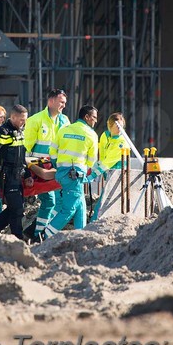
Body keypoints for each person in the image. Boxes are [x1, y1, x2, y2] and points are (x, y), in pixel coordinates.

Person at [41, 105, 98, 239]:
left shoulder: (64, 129)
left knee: (80, 205)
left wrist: (59, 165)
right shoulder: (91, 134)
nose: (95, 121)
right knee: (69, 209)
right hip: (75, 175)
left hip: (62, 173)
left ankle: (80, 236)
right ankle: (45, 235)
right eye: (94, 118)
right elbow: (91, 160)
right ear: (87, 117)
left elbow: (52, 151)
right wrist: (84, 169)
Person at [23, 89, 70, 238]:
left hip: (57, 167)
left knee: (60, 202)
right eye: (61, 102)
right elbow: (26, 149)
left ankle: (40, 233)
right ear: (51, 101)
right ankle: (39, 235)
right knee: (49, 202)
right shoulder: (35, 120)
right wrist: (28, 171)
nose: (63, 105)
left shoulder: (65, 121)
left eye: (65, 103)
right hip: (38, 168)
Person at [0, 105, 34, 240]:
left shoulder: (20, 131)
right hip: (6, 176)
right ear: (13, 117)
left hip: (18, 175)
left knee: (15, 208)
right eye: (22, 120)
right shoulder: (3, 132)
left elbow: (21, 157)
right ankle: (17, 239)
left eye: (25, 119)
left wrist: (28, 174)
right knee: (17, 209)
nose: (24, 122)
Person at [89, 112, 130, 221]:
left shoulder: (122, 142)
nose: (120, 129)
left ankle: (94, 222)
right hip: (107, 172)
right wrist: (98, 171)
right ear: (110, 125)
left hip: (118, 174)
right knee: (105, 199)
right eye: (117, 126)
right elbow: (102, 157)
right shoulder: (104, 136)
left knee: (105, 200)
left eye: (121, 126)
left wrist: (94, 173)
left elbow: (109, 161)